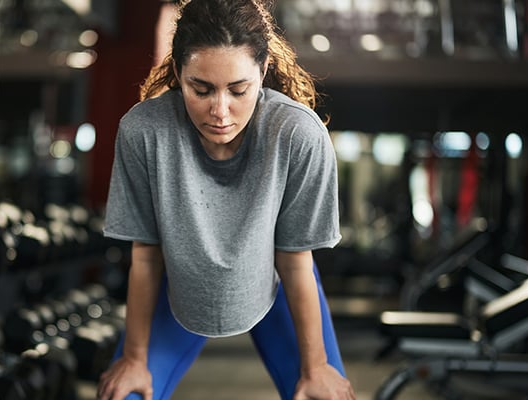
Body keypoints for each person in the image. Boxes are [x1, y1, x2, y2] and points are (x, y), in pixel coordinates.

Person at [98, 0, 355, 399]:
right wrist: (133, 358)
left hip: (277, 281)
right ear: (179, 72)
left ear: (263, 70)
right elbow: (145, 256)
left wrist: (316, 367)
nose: (220, 110)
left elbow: (295, 258)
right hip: (178, 285)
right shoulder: (144, 131)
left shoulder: (297, 134)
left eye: (239, 90)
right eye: (201, 89)